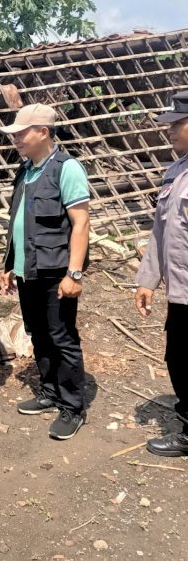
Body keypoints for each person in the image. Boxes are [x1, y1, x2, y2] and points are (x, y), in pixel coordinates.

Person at [0, 104, 91, 440]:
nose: (16, 140)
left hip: (56, 274)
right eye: (15, 135)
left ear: (43, 132)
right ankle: (50, 392)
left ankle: (72, 406)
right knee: (39, 334)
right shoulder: (25, 171)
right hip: (29, 272)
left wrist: (74, 274)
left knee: (62, 336)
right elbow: (18, 223)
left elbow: (81, 224)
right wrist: (9, 266)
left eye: (22, 133)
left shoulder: (67, 169)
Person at [134, 91, 188, 457]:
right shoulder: (176, 170)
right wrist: (147, 281)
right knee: (179, 358)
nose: (167, 131)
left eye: (175, 124)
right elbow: (160, 232)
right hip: (180, 292)